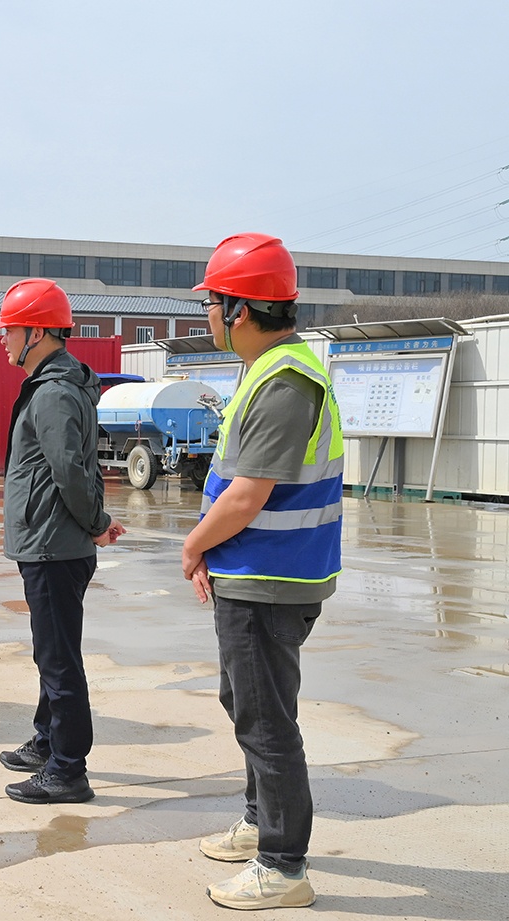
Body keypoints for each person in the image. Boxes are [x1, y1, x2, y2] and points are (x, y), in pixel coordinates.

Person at [183, 234, 342, 910]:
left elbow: (248, 495)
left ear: (239, 309)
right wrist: (213, 554)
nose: (207, 316)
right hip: (253, 569)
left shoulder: (283, 382)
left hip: (273, 576)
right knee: (246, 703)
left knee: (266, 721)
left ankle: (283, 865)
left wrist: (193, 546)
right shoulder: (265, 369)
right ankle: (259, 822)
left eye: (211, 303)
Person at [0, 279, 126, 805]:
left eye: (10, 329)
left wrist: (95, 522)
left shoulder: (52, 392)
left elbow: (69, 470)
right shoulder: (56, 384)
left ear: (37, 333)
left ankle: (68, 769)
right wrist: (95, 521)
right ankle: (47, 741)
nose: (2, 338)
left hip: (54, 545)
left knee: (58, 659)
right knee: (51, 651)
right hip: (51, 541)